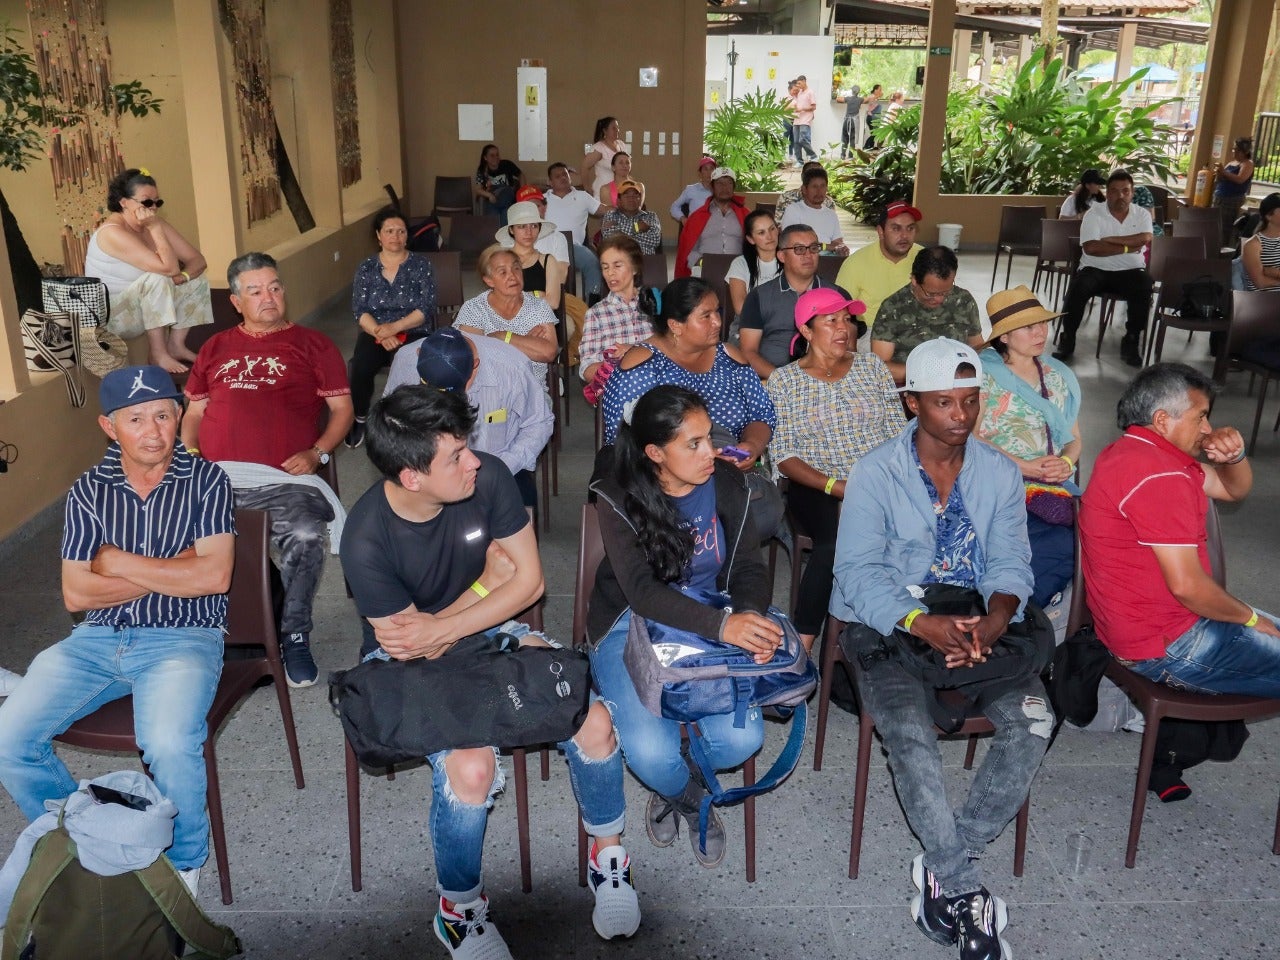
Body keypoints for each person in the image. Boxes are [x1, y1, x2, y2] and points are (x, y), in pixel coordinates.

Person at [340, 386, 640, 958]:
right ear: (412, 477)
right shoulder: (365, 537)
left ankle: (607, 857)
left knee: (595, 723)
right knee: (472, 768)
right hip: (402, 661)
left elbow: (530, 583)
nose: (474, 461)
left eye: (467, 446)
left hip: (489, 630)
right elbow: (413, 647)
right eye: (455, 456)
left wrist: (458, 617)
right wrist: (484, 587)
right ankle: (458, 910)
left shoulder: (489, 477)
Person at [830, 338, 1050, 960]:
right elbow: (856, 572)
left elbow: (1012, 562)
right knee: (908, 732)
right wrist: (919, 622)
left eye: (970, 401)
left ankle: (947, 863)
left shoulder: (999, 471)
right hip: (887, 622)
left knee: (1035, 721)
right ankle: (961, 886)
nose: (961, 414)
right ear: (913, 404)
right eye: (944, 402)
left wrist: (997, 619)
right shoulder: (876, 472)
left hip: (974, 619)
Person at [0, 365, 235, 898]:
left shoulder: (207, 480)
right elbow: (77, 595)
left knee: (168, 742)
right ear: (110, 427)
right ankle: (91, 835)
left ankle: (182, 864)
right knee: (9, 738)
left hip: (184, 637)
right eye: (136, 419)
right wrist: (176, 567)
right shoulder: (87, 490)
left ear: (179, 416)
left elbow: (214, 578)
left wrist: (116, 560)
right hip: (97, 640)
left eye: (163, 415)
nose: (153, 431)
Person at [587, 385, 775, 867]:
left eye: (709, 436)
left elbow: (749, 568)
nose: (711, 451)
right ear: (655, 453)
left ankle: (679, 779)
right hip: (631, 621)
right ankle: (692, 798)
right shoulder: (620, 495)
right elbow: (642, 593)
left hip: (713, 613)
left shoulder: (727, 483)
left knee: (742, 740)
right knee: (652, 754)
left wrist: (749, 617)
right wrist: (725, 627)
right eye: (693, 444)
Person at [182, 252, 353, 688]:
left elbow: (342, 410)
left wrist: (318, 453)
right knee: (162, 533)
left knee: (306, 536)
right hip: (214, 478)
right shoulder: (215, 347)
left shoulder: (313, 345)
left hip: (282, 480)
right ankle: (190, 636)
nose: (268, 297)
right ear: (236, 301)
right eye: (255, 291)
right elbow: (194, 412)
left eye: (274, 287)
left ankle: (294, 633)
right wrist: (190, 453)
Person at [1082, 363, 1280, 700]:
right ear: (1162, 420)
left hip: (1157, 626)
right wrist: (1249, 619)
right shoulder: (1159, 476)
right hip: (1170, 644)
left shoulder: (1131, 452)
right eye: (1200, 417)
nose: (1208, 428)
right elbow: (1188, 587)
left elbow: (1232, 490)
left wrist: (1234, 458)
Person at [766, 289, 903, 648]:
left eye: (847, 319)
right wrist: (836, 486)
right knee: (833, 544)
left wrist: (885, 482)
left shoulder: (872, 368)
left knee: (911, 536)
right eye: (831, 321)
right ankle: (803, 643)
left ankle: (890, 633)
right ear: (807, 331)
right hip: (816, 483)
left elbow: (899, 436)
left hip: (879, 481)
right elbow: (784, 455)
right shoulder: (785, 381)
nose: (844, 328)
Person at [976, 287, 1082, 607]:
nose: (1040, 333)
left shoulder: (1057, 374)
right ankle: (1019, 608)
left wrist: (1065, 463)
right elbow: (971, 438)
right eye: (1028, 327)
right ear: (1004, 337)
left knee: (1089, 537)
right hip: (997, 479)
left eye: (1043, 323)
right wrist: (1024, 467)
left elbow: (1074, 437)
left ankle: (1023, 608)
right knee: (1058, 542)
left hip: (1050, 481)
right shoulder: (983, 375)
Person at [383, 327, 553, 515]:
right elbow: (391, 421)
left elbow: (539, 422)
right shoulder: (405, 360)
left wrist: (503, 467)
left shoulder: (511, 367)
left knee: (519, 514)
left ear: (475, 366)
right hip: (429, 472)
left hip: (498, 465)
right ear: (418, 355)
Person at [600, 278, 775, 459]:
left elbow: (762, 413)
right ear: (675, 326)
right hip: (662, 472)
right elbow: (622, 441)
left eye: (717, 311)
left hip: (732, 467)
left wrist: (752, 446)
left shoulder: (729, 357)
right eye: (706, 316)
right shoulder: (643, 366)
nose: (717, 321)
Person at [83, 167, 213, 374]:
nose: (153, 208)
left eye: (157, 203)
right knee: (157, 278)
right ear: (123, 202)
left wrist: (183, 277)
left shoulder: (152, 223)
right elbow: (169, 268)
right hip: (113, 317)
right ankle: (158, 353)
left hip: (142, 307)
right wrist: (155, 229)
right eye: (146, 202)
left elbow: (197, 260)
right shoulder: (112, 233)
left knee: (196, 278)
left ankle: (176, 345)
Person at [344, 206, 436, 450]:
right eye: (389, 231)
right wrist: (380, 332)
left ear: (407, 235)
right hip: (375, 331)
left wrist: (394, 328)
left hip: (413, 328)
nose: (395, 236)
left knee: (414, 364)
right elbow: (359, 310)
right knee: (361, 365)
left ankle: (412, 421)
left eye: (401, 231)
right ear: (378, 235)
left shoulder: (421, 265)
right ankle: (360, 417)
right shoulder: (366, 267)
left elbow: (425, 308)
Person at [1054, 168, 1153, 367]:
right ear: (1107, 193)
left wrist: (1110, 240)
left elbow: (1145, 238)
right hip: (1096, 269)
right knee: (1078, 288)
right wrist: (1129, 247)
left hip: (1130, 271)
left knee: (1144, 286)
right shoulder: (1094, 214)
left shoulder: (1141, 214)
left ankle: (1132, 339)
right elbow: (1091, 248)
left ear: (1132, 193)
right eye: (1114, 191)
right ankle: (1068, 338)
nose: (1120, 195)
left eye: (1125, 191)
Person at [738, 224, 852, 378]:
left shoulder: (838, 296)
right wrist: (782, 380)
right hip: (773, 377)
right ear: (782, 256)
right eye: (799, 249)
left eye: (813, 248)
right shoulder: (758, 297)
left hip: (827, 377)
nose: (808, 255)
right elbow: (748, 352)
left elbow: (849, 349)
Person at [871, 245, 985, 384]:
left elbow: (977, 347)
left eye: (946, 292)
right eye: (930, 294)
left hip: (958, 382)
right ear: (914, 280)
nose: (939, 299)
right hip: (911, 385)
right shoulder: (893, 308)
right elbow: (880, 366)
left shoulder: (963, 300)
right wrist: (930, 374)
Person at [453, 245, 558, 384]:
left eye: (516, 268)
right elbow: (471, 358)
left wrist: (501, 337)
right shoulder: (474, 309)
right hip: (490, 388)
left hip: (531, 388)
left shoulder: (538, 306)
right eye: (503, 272)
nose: (513, 276)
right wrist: (525, 343)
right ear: (489, 280)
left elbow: (548, 352)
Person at [835, 199, 923, 342]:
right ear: (880, 232)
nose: (904, 235)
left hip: (916, 329)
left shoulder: (925, 258)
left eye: (910, 228)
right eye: (896, 228)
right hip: (872, 332)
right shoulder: (855, 263)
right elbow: (839, 310)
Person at [579, 236, 655, 386]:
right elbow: (586, 368)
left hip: (658, 387)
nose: (610, 273)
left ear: (635, 268)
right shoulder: (596, 313)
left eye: (617, 266)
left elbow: (675, 350)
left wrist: (634, 352)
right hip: (619, 388)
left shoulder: (654, 304)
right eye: (605, 267)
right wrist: (619, 364)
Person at [543, 162, 605, 301]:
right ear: (550, 182)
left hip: (573, 247)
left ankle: (591, 304)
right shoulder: (542, 200)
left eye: (565, 174)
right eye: (557, 176)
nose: (563, 178)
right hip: (547, 247)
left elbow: (603, 210)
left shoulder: (583, 196)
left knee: (593, 263)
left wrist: (624, 207)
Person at [495, 200, 568, 312]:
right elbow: (499, 301)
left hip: (541, 320)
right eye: (522, 226)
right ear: (511, 230)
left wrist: (520, 297)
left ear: (539, 229)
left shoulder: (548, 260)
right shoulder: (501, 260)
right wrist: (537, 294)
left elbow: (553, 302)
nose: (528, 232)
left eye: (534, 226)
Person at [675, 167, 748, 278]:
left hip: (738, 271)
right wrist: (700, 263)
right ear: (712, 187)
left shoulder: (746, 215)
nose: (724, 187)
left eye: (729, 183)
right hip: (705, 270)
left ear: (734, 187)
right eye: (719, 183)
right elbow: (688, 250)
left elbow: (754, 247)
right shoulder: (697, 217)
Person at [778, 167, 848, 255]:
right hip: (803, 257)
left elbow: (838, 243)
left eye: (823, 186)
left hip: (829, 258)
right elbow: (793, 242)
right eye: (814, 186)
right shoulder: (794, 210)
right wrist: (824, 246)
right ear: (804, 189)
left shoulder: (831, 214)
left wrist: (841, 249)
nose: (819, 191)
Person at [726, 210, 781, 320]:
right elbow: (740, 308)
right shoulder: (740, 264)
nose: (770, 236)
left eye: (772, 229)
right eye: (761, 233)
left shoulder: (790, 259)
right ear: (751, 239)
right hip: (750, 324)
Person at [602, 180, 662, 255]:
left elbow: (655, 240)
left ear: (640, 199)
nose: (631, 199)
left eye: (635, 196)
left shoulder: (650, 216)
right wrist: (636, 227)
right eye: (627, 196)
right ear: (618, 201)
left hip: (645, 260)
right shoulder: (611, 215)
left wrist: (621, 232)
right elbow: (610, 238)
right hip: (619, 260)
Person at [472, 144, 523, 225]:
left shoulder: (506, 164)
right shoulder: (482, 170)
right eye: (492, 155)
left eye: (497, 155)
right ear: (485, 158)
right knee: (502, 213)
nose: (496, 157)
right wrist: (489, 195)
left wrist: (522, 190)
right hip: (494, 199)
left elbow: (521, 175)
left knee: (504, 196)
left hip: (507, 195)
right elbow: (478, 189)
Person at [583, 116, 628, 200]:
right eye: (613, 128)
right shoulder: (599, 148)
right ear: (605, 131)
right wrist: (587, 187)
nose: (617, 130)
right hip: (602, 192)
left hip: (619, 191)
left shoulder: (621, 145)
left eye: (617, 128)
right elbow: (585, 167)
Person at [1242, 192, 1280, 291]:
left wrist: (1275, 273)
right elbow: (1260, 282)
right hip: (1263, 298)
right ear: (1269, 216)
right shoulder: (1253, 245)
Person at [1213, 137, 1255, 228]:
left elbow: (1240, 179)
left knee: (1224, 226)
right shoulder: (1231, 163)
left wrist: (1224, 172)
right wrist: (1219, 173)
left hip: (1232, 200)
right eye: (1234, 149)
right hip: (1219, 197)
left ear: (1245, 152)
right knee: (1214, 224)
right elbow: (1221, 179)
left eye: (1237, 150)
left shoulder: (1247, 164)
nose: (1234, 152)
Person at [670, 156, 717, 227]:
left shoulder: (720, 191)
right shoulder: (691, 189)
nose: (709, 172)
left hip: (714, 229)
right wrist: (683, 218)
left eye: (712, 169)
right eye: (705, 169)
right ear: (700, 173)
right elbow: (674, 207)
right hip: (695, 228)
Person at [790, 75, 818, 163]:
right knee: (796, 142)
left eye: (799, 83)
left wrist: (802, 109)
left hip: (805, 120)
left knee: (803, 139)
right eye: (797, 84)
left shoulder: (810, 92)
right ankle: (799, 161)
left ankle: (813, 156)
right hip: (797, 119)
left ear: (804, 81)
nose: (798, 85)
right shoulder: (799, 93)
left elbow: (814, 107)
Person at [836, 84, 864, 159]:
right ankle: (850, 156)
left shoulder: (848, 99)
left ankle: (842, 155)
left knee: (844, 138)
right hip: (854, 122)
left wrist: (842, 97)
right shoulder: (860, 99)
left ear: (852, 91)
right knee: (852, 139)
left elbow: (838, 99)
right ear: (858, 92)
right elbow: (867, 99)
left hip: (846, 121)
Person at [863, 84, 884, 148]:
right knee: (875, 133)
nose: (881, 91)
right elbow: (869, 99)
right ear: (875, 90)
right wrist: (879, 95)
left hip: (875, 118)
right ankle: (866, 146)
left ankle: (870, 147)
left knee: (874, 133)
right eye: (880, 90)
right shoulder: (872, 96)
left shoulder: (876, 97)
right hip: (871, 118)